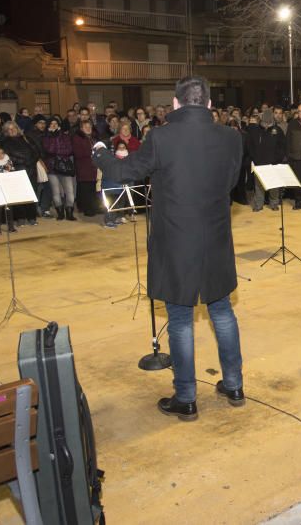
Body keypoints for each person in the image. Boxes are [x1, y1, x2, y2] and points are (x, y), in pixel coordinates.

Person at [93, 76, 244, 421]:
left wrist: (100, 154)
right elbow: (233, 183)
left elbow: (125, 171)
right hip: (217, 237)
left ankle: (186, 397)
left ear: (175, 104)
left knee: (179, 319)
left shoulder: (160, 137)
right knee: (221, 311)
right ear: (208, 105)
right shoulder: (231, 137)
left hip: (176, 240)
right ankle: (234, 385)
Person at [246, 112, 286, 211]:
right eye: (265, 120)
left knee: (274, 185)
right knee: (259, 186)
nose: (267, 122)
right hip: (259, 163)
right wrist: (254, 158)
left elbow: (283, 146)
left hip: (273, 163)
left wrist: (277, 159)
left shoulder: (277, 130)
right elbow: (250, 145)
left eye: (269, 120)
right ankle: (258, 204)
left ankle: (274, 204)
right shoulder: (256, 130)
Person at [41, 117, 77, 221]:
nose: (54, 125)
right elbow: (49, 150)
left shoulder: (65, 136)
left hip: (65, 167)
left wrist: (57, 143)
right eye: (51, 124)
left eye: (55, 123)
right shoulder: (46, 137)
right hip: (52, 167)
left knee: (70, 191)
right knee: (55, 192)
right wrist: (54, 138)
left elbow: (69, 150)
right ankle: (60, 213)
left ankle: (69, 212)